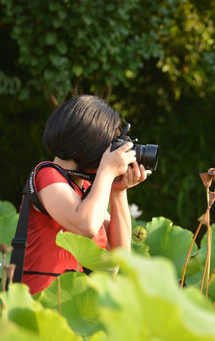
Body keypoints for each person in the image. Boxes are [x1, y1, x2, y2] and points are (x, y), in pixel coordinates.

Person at [22, 95, 148, 294]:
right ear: (88, 142)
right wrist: (106, 172)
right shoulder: (47, 176)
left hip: (81, 309)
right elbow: (86, 224)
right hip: (43, 307)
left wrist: (118, 190)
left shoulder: (87, 188)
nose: (112, 153)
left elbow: (120, 255)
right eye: (109, 145)